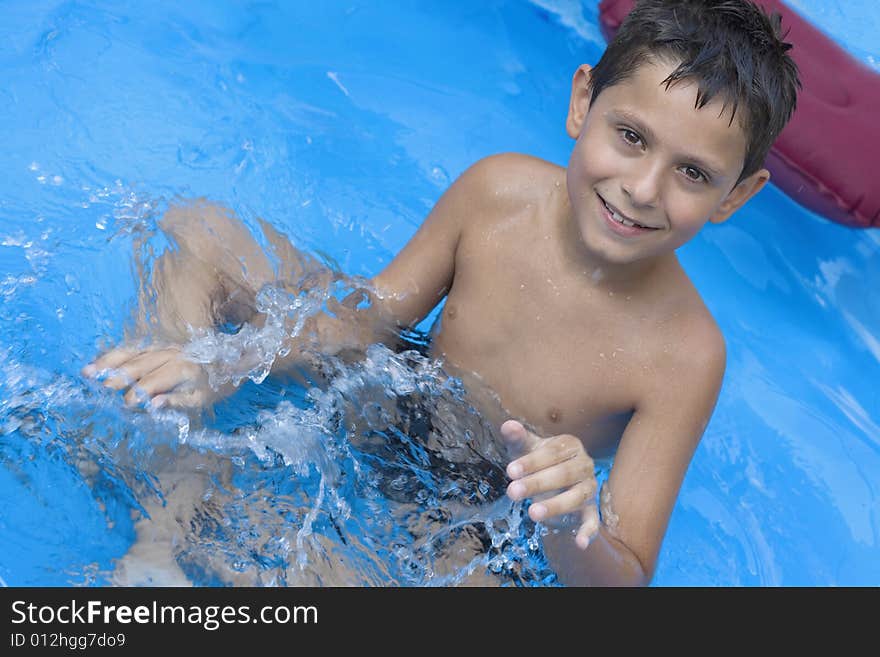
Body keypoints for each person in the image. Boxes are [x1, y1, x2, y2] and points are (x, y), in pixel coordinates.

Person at [83, 0, 800, 586]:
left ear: (738, 195)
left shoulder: (685, 355)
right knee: (195, 233)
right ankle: (159, 537)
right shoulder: (497, 192)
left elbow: (622, 579)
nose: (644, 189)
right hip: (404, 397)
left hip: (481, 515)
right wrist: (223, 362)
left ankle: (200, 513)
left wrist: (568, 516)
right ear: (583, 101)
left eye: (694, 174)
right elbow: (370, 319)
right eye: (632, 136)